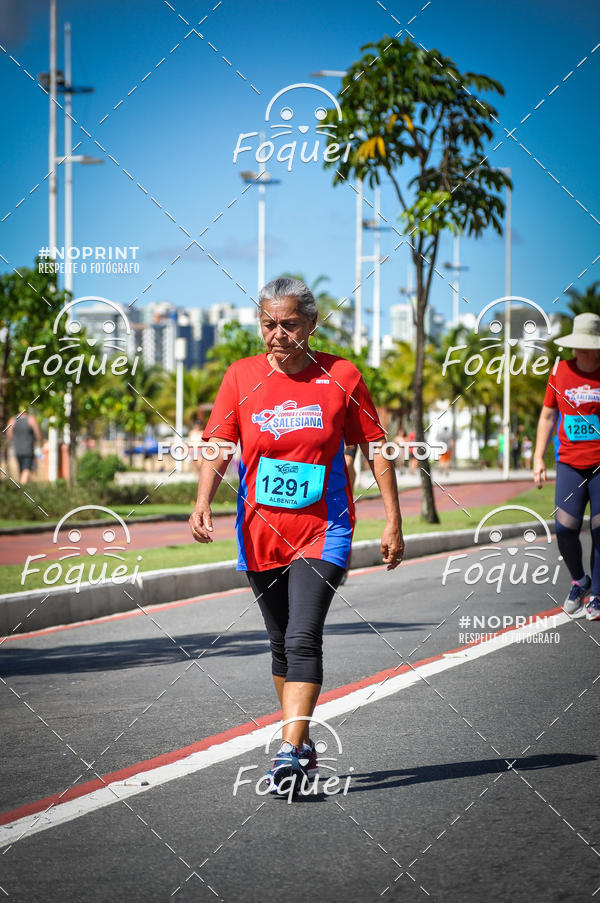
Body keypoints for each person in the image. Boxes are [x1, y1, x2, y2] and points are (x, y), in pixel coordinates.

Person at [189, 277, 404, 793]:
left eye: (289, 324)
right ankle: (301, 738)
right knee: (280, 643)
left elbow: (375, 446)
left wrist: (393, 518)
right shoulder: (240, 377)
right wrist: (202, 501)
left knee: (304, 634)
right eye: (269, 324)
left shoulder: (342, 375)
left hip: (324, 529)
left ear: (310, 324)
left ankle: (288, 750)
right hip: (259, 531)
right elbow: (219, 442)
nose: (278, 334)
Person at [533, 313, 600, 621]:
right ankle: (579, 580)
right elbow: (547, 416)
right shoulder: (559, 371)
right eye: (579, 346)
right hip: (569, 463)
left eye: (588, 346)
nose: (582, 352)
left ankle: (597, 594)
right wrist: (537, 457)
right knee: (564, 527)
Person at [6, 410, 43, 485]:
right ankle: (22, 490)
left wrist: (7, 445)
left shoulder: (12, 420)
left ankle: (22, 488)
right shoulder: (31, 419)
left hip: (17, 450)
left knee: (21, 470)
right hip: (28, 450)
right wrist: (41, 442)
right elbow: (38, 432)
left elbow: (8, 433)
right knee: (26, 470)